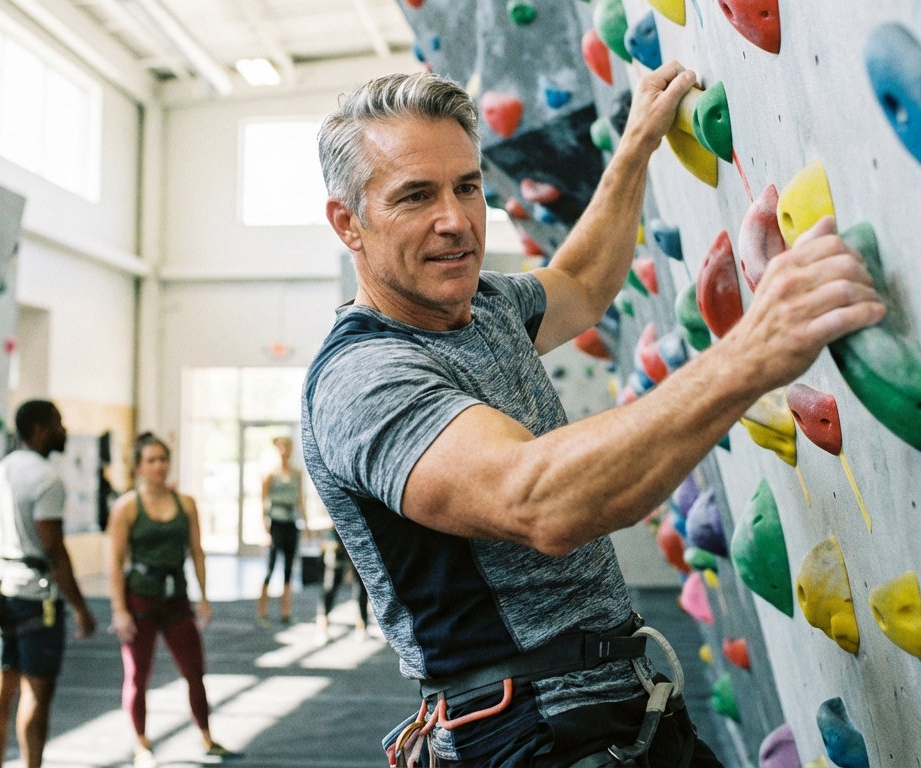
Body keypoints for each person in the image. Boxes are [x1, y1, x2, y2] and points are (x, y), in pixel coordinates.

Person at [303, 67, 884, 766]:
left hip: (610, 703)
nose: (455, 220)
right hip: (529, 734)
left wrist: (636, 145)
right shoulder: (364, 379)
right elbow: (539, 500)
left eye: (468, 186)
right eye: (415, 196)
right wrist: (755, 350)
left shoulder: (482, 305)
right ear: (348, 223)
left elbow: (580, 282)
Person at [0, 400, 97, 768]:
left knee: (2, 685)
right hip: (35, 596)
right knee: (35, 692)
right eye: (58, 423)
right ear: (41, 428)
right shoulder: (46, 478)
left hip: (3, 588)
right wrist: (80, 607)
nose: (64, 431)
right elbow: (54, 549)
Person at [107, 433, 232, 766]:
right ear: (139, 466)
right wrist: (119, 610)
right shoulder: (126, 508)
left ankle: (207, 737)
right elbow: (115, 562)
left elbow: (197, 552)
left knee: (195, 671)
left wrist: (204, 598)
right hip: (140, 600)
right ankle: (142, 742)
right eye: (151, 460)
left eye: (163, 458)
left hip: (176, 600)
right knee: (138, 675)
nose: (159, 466)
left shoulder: (186, 503)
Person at [256, 436, 307, 627]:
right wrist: (264, 529)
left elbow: (300, 500)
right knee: (270, 568)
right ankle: (262, 612)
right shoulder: (271, 474)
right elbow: (263, 501)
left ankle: (286, 612)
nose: (285, 450)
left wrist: (306, 525)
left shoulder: (296, 473)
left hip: (291, 524)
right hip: (275, 523)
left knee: (288, 569)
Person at [316, 528, 368, 644]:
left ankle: (362, 627)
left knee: (361, 583)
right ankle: (322, 628)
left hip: (358, 533)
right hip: (336, 534)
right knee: (330, 583)